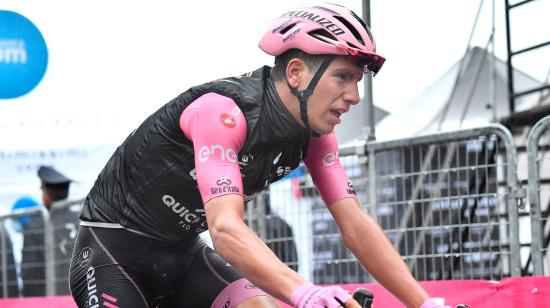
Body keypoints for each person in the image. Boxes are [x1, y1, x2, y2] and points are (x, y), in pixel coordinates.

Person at [69, 4, 453, 308]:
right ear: (298, 73)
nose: (355, 96)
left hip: (183, 256)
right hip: (112, 254)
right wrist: (306, 293)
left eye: (358, 80)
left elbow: (354, 224)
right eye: (343, 77)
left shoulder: (315, 135)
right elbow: (225, 230)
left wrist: (424, 303)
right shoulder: (223, 112)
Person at [21, 165, 78, 296]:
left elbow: (30, 271)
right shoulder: (81, 220)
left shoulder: (35, 225)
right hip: (81, 297)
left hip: (49, 299)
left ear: (46, 193)